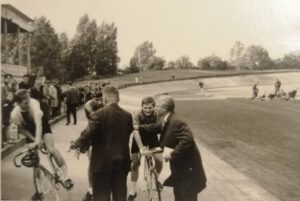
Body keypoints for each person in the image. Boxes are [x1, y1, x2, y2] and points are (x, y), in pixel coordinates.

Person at [10, 90, 73, 200]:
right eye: (25, 103)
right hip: (30, 130)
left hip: (42, 125)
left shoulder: (34, 104)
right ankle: (38, 191)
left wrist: (38, 141)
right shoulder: (15, 114)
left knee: (51, 149)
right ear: (18, 103)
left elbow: (39, 125)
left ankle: (65, 178)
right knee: (34, 161)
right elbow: (22, 130)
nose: (28, 104)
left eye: (28, 101)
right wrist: (35, 140)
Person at [79, 86, 133, 201]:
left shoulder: (98, 115)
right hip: (121, 162)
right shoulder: (128, 116)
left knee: (102, 197)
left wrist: (77, 143)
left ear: (104, 99)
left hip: (102, 164)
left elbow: (88, 134)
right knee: (120, 196)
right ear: (118, 99)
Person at [156, 95, 207, 201]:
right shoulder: (168, 119)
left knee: (186, 196)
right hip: (181, 169)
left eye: (157, 105)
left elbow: (187, 139)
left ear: (164, 108)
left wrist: (172, 154)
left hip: (188, 171)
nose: (155, 108)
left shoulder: (176, 121)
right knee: (179, 195)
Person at [127, 96, 163, 201]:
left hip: (152, 138)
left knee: (159, 160)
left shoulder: (157, 114)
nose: (147, 110)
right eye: (145, 108)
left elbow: (159, 128)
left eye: (150, 108)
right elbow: (136, 132)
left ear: (154, 107)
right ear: (142, 106)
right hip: (138, 139)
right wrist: (141, 148)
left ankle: (155, 180)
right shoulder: (137, 114)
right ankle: (132, 192)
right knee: (134, 164)